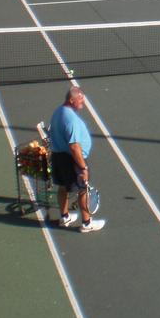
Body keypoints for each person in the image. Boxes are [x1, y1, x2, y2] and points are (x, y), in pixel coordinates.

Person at [49, 86, 105, 232]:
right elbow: (74, 147)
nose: (83, 103)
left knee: (62, 187)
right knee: (82, 190)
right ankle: (87, 223)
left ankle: (65, 217)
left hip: (58, 157)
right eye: (80, 100)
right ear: (71, 100)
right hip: (71, 160)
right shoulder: (71, 120)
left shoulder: (58, 112)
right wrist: (82, 167)